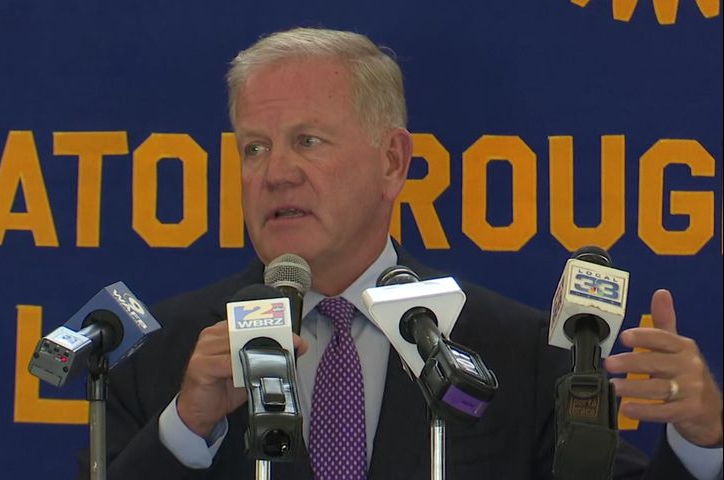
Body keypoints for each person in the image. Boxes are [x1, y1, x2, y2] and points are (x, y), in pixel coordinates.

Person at [81, 28, 723, 479]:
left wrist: (701, 443)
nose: (274, 173)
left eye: (307, 141)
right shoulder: (169, 354)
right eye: (254, 148)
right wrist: (186, 429)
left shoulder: (520, 353)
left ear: (392, 161)